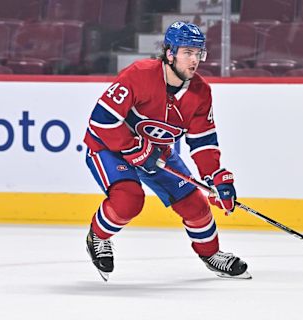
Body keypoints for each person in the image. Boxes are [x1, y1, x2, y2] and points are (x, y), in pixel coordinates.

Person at [83, 21, 251, 281]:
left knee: (196, 205)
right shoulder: (139, 74)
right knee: (128, 199)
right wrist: (133, 148)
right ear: (170, 53)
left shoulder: (200, 92)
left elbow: (203, 141)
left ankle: (211, 254)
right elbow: (101, 120)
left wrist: (214, 177)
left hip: (156, 152)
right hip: (109, 146)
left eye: (199, 53)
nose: (194, 60)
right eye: (187, 53)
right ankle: (98, 236)